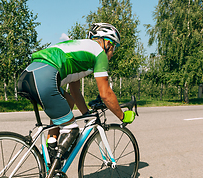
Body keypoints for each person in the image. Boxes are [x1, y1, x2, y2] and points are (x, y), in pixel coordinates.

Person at [18, 23, 135, 165]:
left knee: (68, 101)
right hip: (44, 78)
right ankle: (55, 163)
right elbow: (106, 94)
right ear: (107, 43)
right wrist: (122, 116)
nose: (113, 52)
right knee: (71, 129)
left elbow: (75, 91)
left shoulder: (80, 49)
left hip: (29, 75)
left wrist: (87, 115)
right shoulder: (99, 53)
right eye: (114, 47)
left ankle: (51, 151)